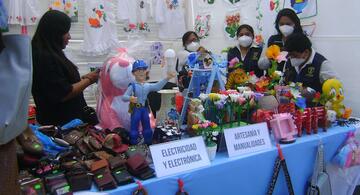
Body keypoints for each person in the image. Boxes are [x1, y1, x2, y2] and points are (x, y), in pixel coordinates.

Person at [32, 10, 99, 126]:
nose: (69, 36)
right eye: (66, 32)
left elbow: (59, 82)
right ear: (55, 33)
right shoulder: (44, 58)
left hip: (69, 122)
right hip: (61, 126)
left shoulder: (51, 52)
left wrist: (82, 79)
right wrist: (90, 80)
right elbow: (62, 93)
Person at [122, 60, 176, 145]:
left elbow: (157, 87)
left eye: (143, 70)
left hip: (144, 110)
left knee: (147, 128)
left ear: (146, 72)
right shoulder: (132, 86)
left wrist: (167, 78)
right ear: (133, 73)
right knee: (134, 129)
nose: (141, 72)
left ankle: (148, 144)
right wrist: (130, 98)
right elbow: (124, 97)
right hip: (136, 109)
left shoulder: (147, 86)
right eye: (138, 70)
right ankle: (133, 145)